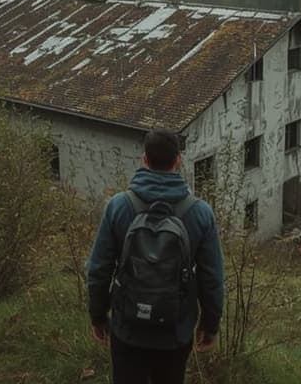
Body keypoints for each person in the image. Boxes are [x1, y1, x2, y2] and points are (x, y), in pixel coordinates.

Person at [86, 130, 225, 384]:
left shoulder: (118, 206)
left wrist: (98, 316)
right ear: (178, 160)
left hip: (127, 327)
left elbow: (98, 269)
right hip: (175, 330)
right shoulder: (200, 213)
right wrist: (210, 324)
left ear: (144, 160)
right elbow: (212, 277)